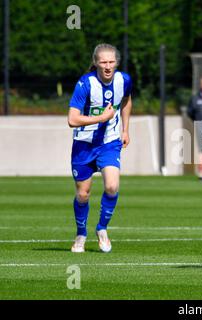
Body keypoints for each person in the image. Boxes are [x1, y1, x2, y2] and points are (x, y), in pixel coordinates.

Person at [67, 43, 132, 253]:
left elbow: (127, 100)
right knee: (83, 195)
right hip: (84, 145)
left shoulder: (124, 80)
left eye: (111, 62)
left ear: (117, 63)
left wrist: (125, 129)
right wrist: (101, 117)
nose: (107, 66)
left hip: (109, 143)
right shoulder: (85, 84)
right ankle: (80, 234)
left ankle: (102, 229)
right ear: (96, 63)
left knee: (112, 186)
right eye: (103, 62)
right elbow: (72, 119)